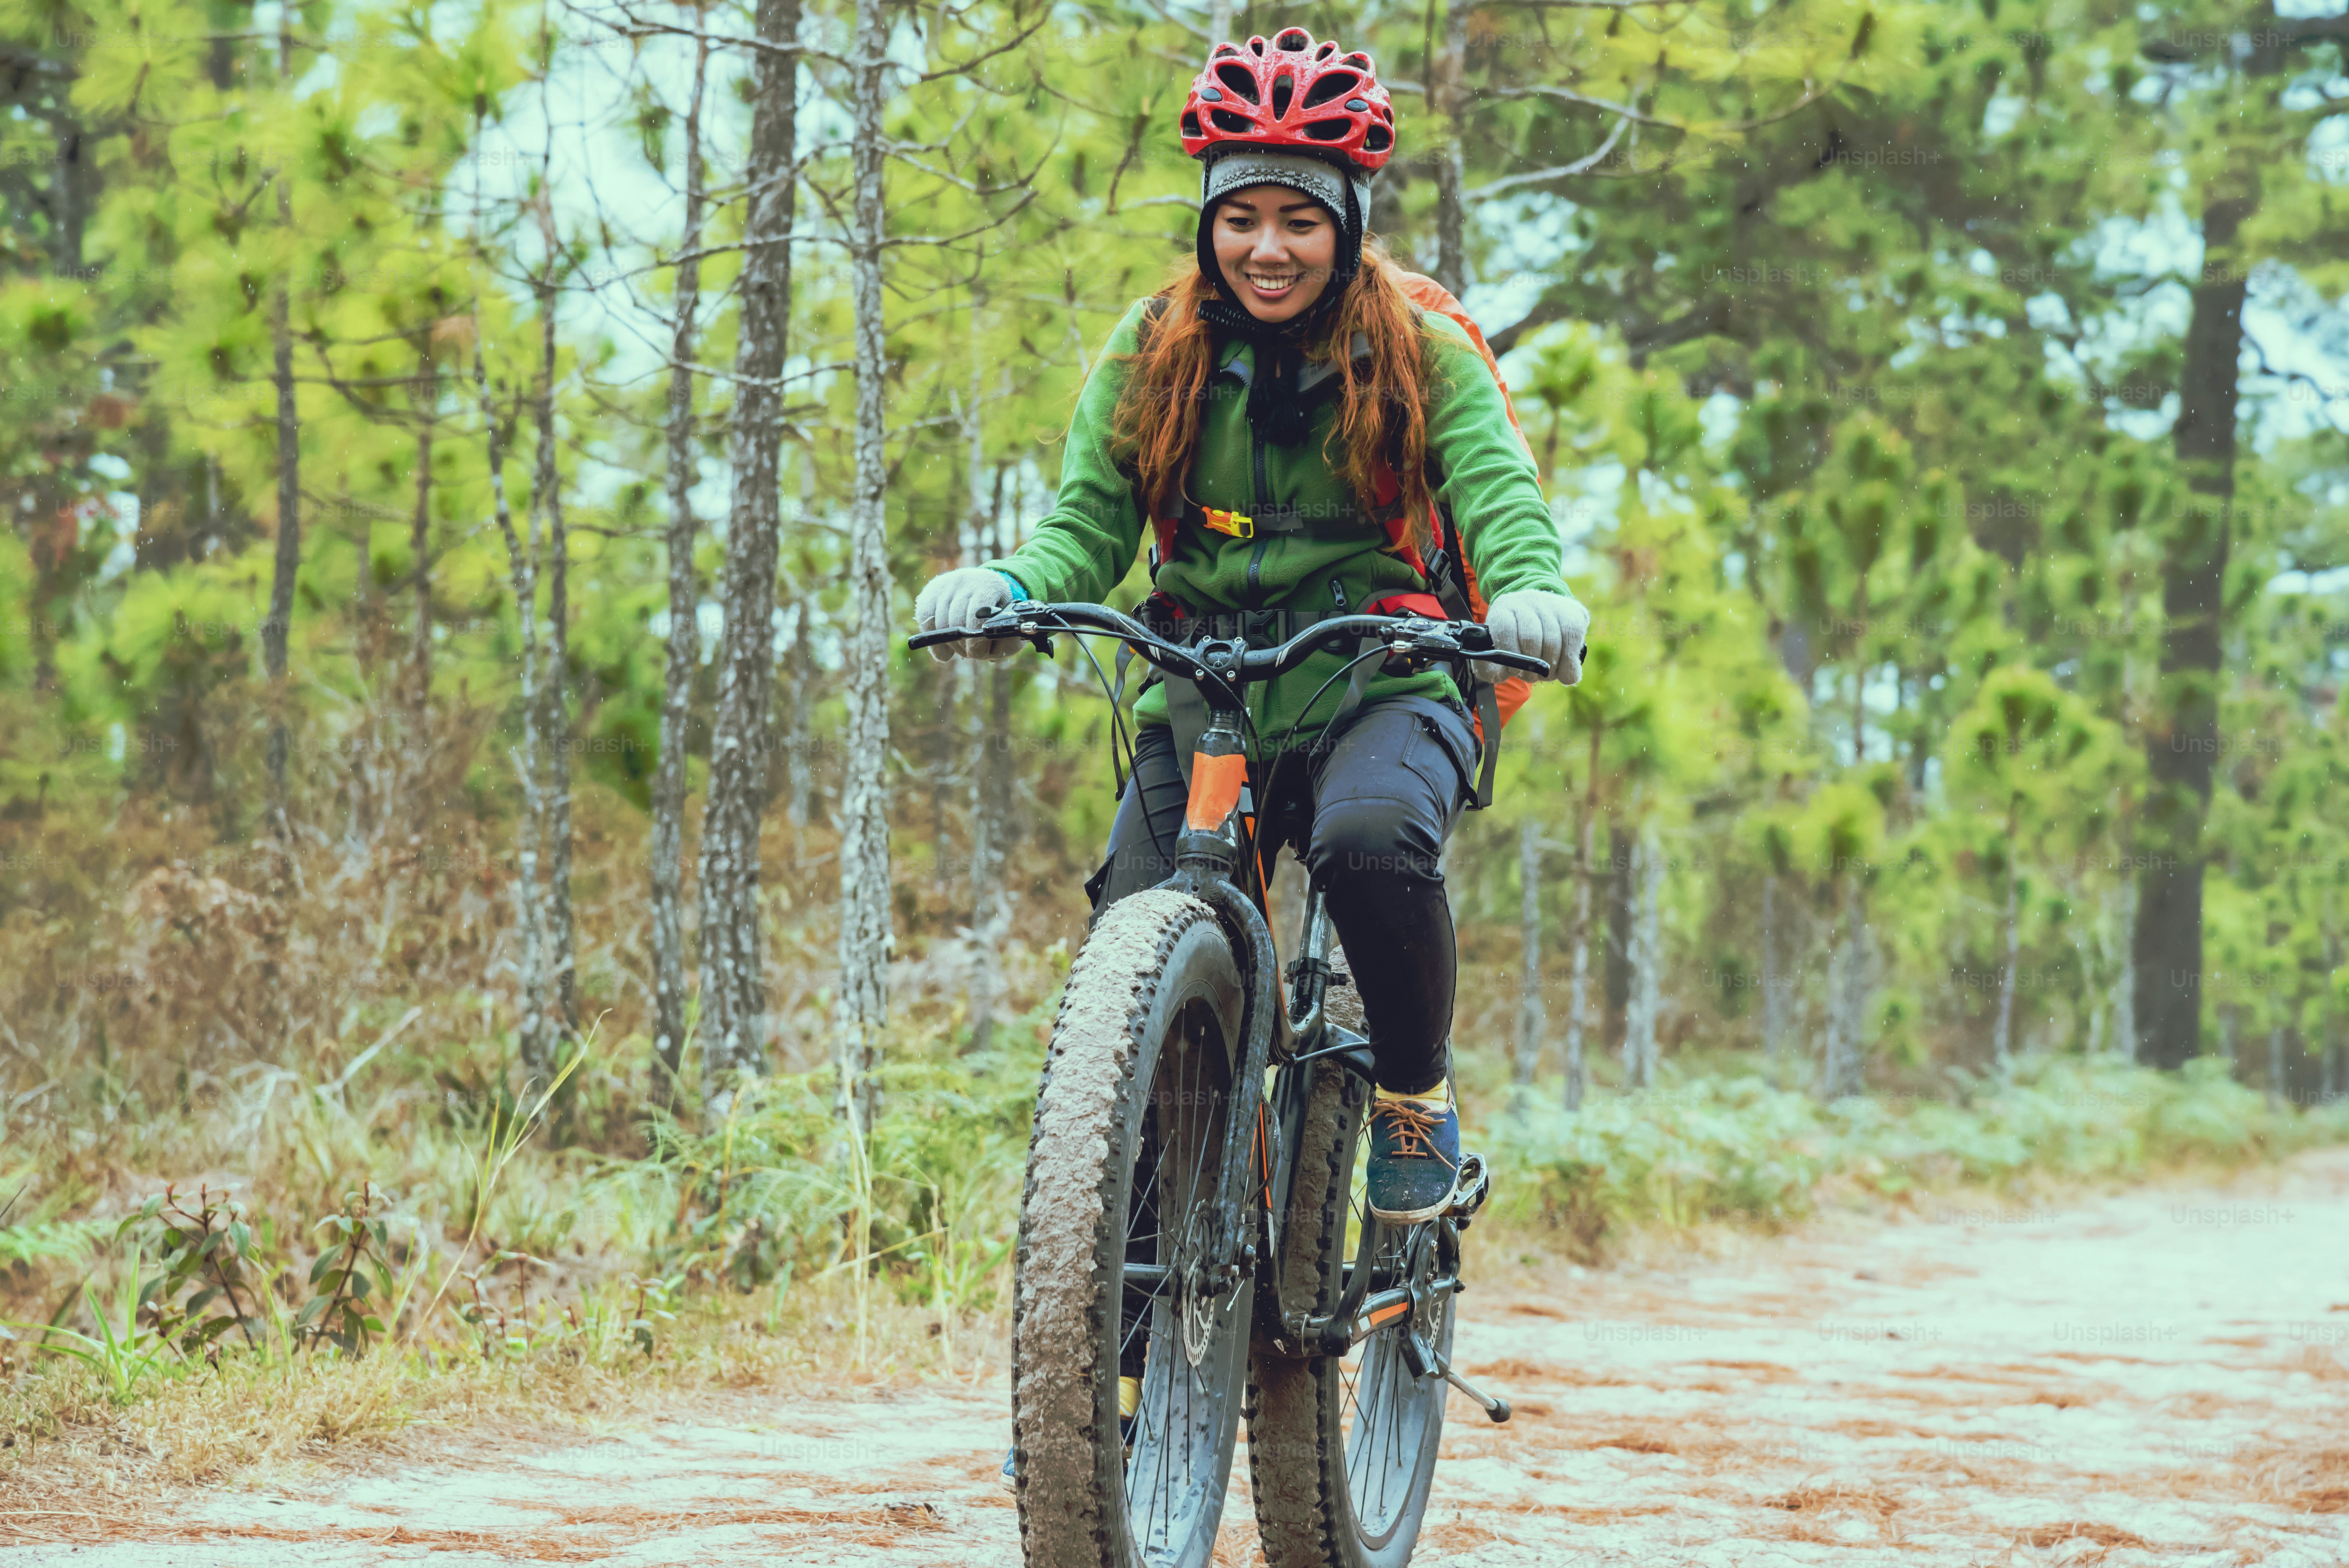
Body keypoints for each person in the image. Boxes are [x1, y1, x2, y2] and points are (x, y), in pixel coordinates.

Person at [915, 28, 1588, 1228]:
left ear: (1348, 225)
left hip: (1384, 674)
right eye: (1242, 218)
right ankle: (1132, 1271)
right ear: (1208, 223)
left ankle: (1412, 1094)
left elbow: (1499, 496)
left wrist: (1533, 595)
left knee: (1372, 840)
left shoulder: (1418, 351)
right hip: (1208, 686)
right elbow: (1087, 526)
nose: (1267, 249)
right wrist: (1013, 588)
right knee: (1137, 920)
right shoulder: (1157, 347)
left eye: (1299, 220)